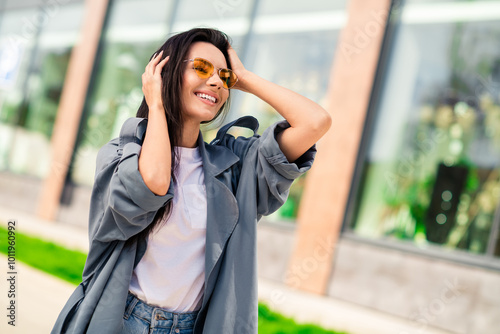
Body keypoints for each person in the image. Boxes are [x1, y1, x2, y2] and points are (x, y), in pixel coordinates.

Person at [52, 27, 331, 334]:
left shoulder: (234, 167)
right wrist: (157, 103)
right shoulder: (121, 155)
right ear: (165, 73)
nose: (216, 81)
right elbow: (153, 185)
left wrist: (244, 79)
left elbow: (315, 122)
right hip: (122, 321)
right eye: (201, 67)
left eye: (223, 76)